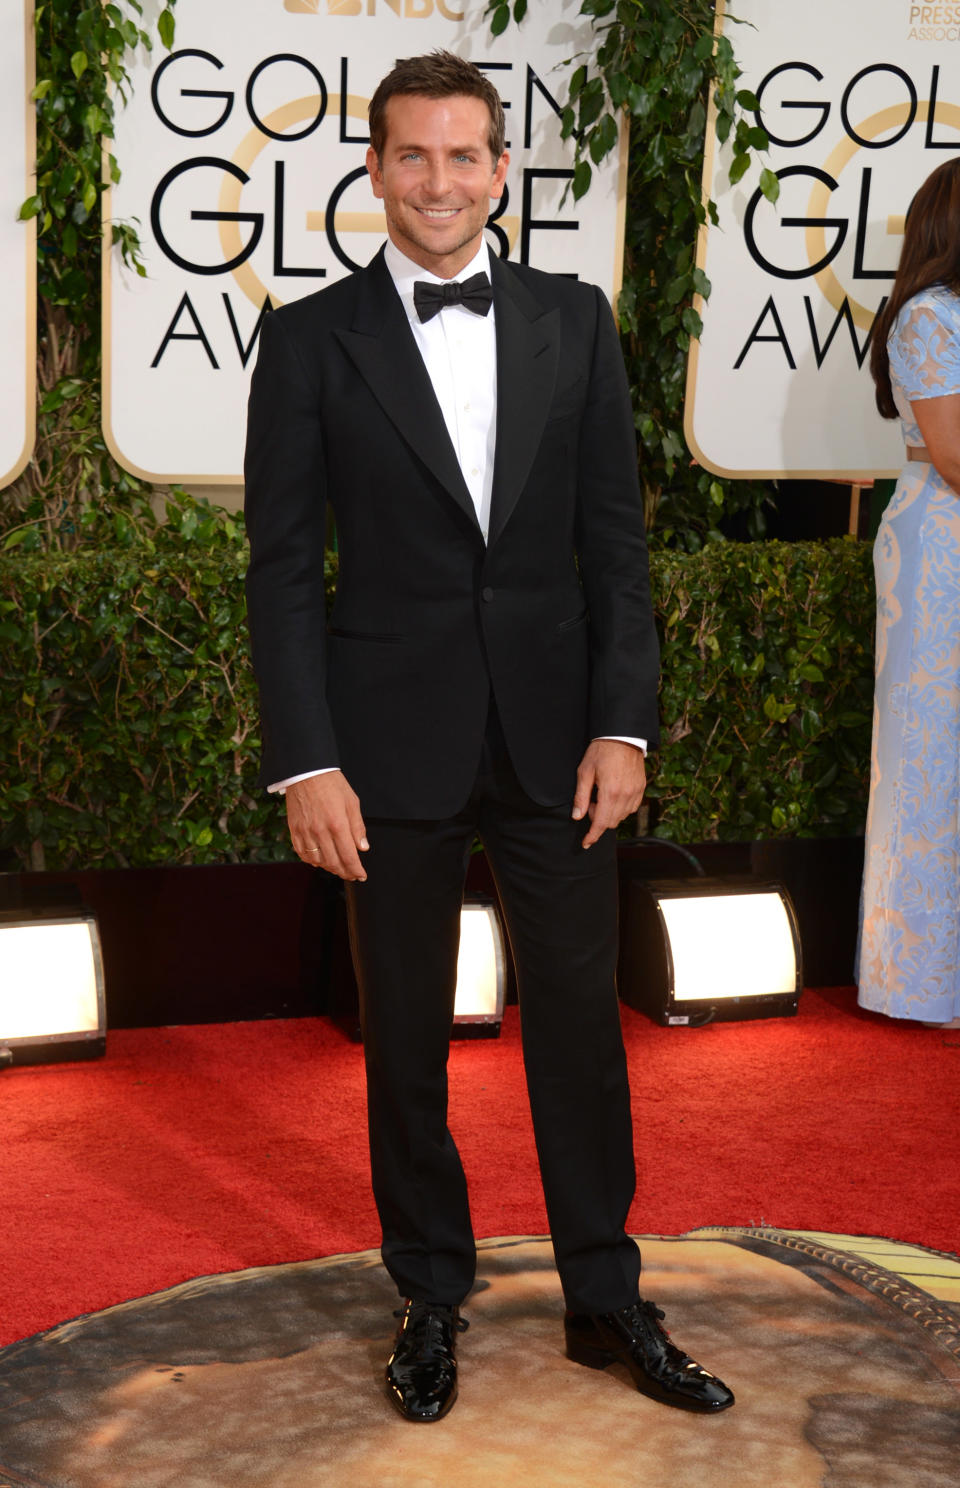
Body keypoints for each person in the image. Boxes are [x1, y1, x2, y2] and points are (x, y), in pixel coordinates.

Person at [244, 50, 734, 1421]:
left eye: (466, 157)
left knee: (579, 1029)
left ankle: (605, 1299)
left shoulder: (576, 323)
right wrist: (307, 758)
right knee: (404, 1039)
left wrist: (624, 730)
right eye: (414, 156)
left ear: (503, 169)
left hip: (557, 741)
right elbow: (281, 570)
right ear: (375, 168)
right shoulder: (308, 340)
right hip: (381, 749)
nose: (441, 183)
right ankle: (429, 1295)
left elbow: (614, 553)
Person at [858, 156, 960, 1030]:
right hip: (943, 553)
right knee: (934, 755)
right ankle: (921, 978)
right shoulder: (928, 317)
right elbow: (955, 455)